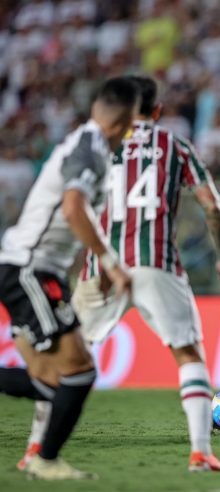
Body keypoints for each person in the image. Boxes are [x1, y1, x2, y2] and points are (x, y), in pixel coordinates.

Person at [11, 75, 220, 473]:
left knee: (62, 363)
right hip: (157, 264)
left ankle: (34, 449)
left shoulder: (98, 144)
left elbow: (80, 208)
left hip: (101, 268)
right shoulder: (174, 145)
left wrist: (93, 260)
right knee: (188, 354)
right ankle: (201, 452)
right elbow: (211, 204)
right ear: (157, 111)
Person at [0, 77, 139, 480]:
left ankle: (42, 458)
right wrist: (110, 262)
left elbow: (72, 218)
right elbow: (74, 207)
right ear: (123, 124)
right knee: (78, 372)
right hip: (29, 269)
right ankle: (46, 460)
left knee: (49, 381)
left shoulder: (86, 143)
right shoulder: (90, 152)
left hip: (37, 270)